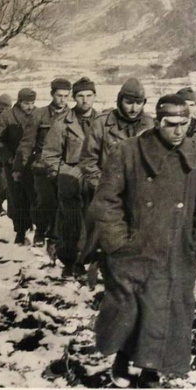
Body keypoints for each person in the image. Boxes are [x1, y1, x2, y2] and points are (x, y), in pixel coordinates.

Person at [90, 94, 196, 388]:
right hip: (134, 249)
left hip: (175, 253)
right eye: (172, 124)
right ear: (158, 122)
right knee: (128, 308)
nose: (179, 130)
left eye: (185, 124)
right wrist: (118, 243)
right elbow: (106, 201)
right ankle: (122, 357)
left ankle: (150, 371)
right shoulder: (128, 152)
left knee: (166, 313)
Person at [77, 78, 154, 264]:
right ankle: (86, 263)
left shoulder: (152, 125)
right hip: (106, 190)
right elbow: (87, 160)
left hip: (139, 191)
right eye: (129, 103)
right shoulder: (101, 124)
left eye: (138, 103)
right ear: (120, 101)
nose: (134, 108)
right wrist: (103, 187)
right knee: (98, 233)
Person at [40, 77, 98, 276]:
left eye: (89, 96)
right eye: (80, 96)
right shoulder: (62, 123)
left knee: (93, 221)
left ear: (95, 97)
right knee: (70, 223)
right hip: (70, 177)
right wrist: (63, 173)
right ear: (74, 98)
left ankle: (90, 259)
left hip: (95, 178)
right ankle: (70, 262)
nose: (85, 100)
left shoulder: (103, 123)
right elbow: (49, 154)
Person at [13, 78, 72, 246]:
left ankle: (54, 237)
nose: (62, 100)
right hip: (41, 165)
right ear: (52, 94)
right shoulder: (39, 115)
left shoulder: (72, 116)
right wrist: (19, 167)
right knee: (45, 200)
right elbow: (27, 142)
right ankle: (40, 229)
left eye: (66, 96)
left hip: (65, 165)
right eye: (59, 95)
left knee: (61, 201)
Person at [0, 88, 37, 245]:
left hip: (33, 164)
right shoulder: (7, 116)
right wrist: (8, 158)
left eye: (32, 103)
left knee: (35, 197)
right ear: (19, 102)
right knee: (17, 198)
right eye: (26, 103)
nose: (30, 107)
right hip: (13, 164)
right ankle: (20, 230)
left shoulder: (38, 114)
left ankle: (34, 227)